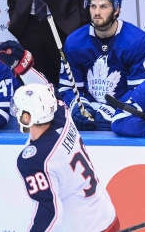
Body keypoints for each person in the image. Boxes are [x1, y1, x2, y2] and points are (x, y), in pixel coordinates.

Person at [12, 83, 119, 232]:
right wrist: (23, 68)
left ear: (27, 116)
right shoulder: (63, 114)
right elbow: (48, 91)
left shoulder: (34, 160)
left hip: (86, 227)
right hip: (106, 214)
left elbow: (49, 212)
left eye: (17, 109)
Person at [58, 0, 145, 131]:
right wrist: (78, 106)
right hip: (90, 112)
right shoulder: (74, 41)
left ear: (116, 9)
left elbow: (142, 90)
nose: (96, 12)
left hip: (124, 114)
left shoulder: (136, 40)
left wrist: (113, 111)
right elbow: (68, 87)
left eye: (103, 6)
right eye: (93, 6)